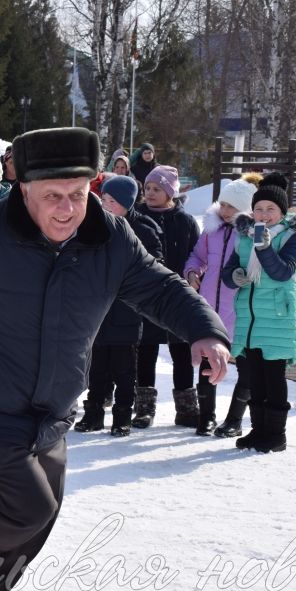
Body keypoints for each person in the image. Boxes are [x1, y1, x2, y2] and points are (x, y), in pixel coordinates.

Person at [0, 126, 230, 591]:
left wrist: (205, 332)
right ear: (24, 190)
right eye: (52, 196)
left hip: (54, 402)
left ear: (93, 188)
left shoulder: (109, 237)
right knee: (27, 507)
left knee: (43, 514)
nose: (66, 209)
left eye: (77, 195)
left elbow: (161, 289)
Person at [223, 173, 296, 453]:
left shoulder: (294, 235)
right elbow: (228, 272)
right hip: (250, 319)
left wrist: (263, 247)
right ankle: (258, 430)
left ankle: (276, 435)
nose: (264, 215)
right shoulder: (245, 235)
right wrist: (236, 276)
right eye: (259, 209)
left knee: (274, 377)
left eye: (270, 209)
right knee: (254, 377)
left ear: (282, 211)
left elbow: (282, 272)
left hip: (277, 316)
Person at [74, 175, 164, 436]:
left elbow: (154, 264)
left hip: (127, 309)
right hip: (99, 311)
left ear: (126, 203)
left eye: (112, 201)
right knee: (97, 366)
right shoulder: (94, 226)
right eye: (103, 200)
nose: (106, 205)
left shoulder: (143, 229)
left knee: (124, 369)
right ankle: (93, 414)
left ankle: (122, 416)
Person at [184, 177, 257, 437]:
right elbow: (197, 256)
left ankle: (235, 419)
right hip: (210, 306)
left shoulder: (251, 234)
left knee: (245, 364)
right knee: (207, 362)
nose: (225, 211)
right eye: (223, 205)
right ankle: (207, 417)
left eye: (232, 208)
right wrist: (193, 272)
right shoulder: (211, 229)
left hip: (240, 309)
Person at [134, 165, 202, 429]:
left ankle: (186, 408)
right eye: (147, 188)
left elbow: (196, 255)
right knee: (145, 350)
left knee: (181, 350)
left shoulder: (184, 221)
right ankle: (143, 408)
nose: (150, 193)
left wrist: (194, 276)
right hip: (146, 295)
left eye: (156, 189)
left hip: (176, 296)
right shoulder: (137, 216)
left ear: (170, 193)